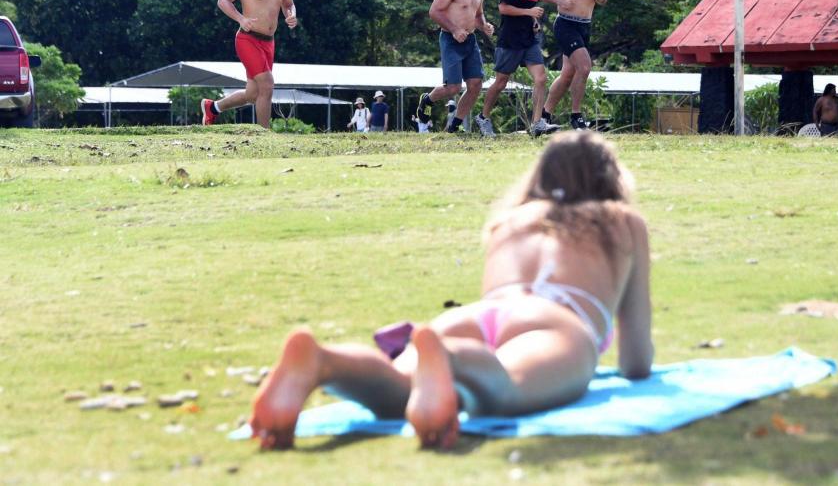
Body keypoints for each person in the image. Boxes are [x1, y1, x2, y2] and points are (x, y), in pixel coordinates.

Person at [248, 130, 653, 451]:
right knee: (504, 386)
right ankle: (447, 358)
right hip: (556, 323)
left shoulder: (510, 221)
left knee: (397, 390)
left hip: (475, 316)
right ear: (609, 178)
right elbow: (635, 357)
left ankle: (324, 362)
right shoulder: (621, 220)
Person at [201, 0, 297, 129]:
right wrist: (240, 19)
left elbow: (288, 3)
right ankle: (265, 135)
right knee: (267, 85)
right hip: (247, 40)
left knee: (253, 94)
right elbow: (223, 0)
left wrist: (291, 14)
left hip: (269, 42)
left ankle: (213, 108)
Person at [475, 0, 563, 138]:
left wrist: (533, 22)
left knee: (541, 78)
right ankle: (483, 117)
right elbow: (503, 8)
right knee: (500, 82)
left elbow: (528, 7)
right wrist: (529, 12)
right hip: (510, 40)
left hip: (529, 40)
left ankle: (537, 123)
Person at [415, 0, 495, 133]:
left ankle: (454, 126)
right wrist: (455, 29)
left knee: (475, 85)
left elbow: (478, 14)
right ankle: (427, 99)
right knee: (453, 87)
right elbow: (434, 11)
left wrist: (484, 25)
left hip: (470, 39)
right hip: (450, 39)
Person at [539, 0, 608, 131]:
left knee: (568, 73)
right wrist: (559, 0)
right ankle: (576, 116)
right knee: (584, 67)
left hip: (585, 25)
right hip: (565, 23)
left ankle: (544, 115)